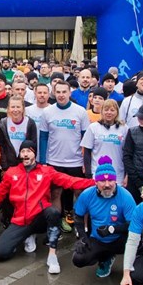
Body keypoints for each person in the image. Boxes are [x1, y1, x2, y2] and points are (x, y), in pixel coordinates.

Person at [0, 140, 94, 274]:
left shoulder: (46, 171)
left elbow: (70, 181)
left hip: (40, 218)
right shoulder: (12, 173)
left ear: (35, 154)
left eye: (29, 151)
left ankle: (52, 256)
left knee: (53, 212)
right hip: (20, 221)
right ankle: (27, 235)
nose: (25, 154)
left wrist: (97, 182)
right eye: (23, 151)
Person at [39, 80, 91, 232]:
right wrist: (43, 162)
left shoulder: (80, 111)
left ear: (69, 92)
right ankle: (56, 225)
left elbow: (86, 139)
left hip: (76, 161)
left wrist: (86, 161)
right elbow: (43, 137)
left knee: (80, 193)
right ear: (54, 93)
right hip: (54, 161)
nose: (61, 95)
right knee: (55, 193)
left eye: (64, 92)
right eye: (58, 92)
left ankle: (81, 225)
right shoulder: (47, 112)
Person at [72, 157, 137, 278]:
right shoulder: (87, 194)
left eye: (110, 180)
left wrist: (112, 229)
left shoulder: (125, 196)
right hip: (98, 239)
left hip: (120, 238)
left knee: (139, 246)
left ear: (115, 181)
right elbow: (78, 216)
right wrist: (82, 237)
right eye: (102, 181)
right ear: (96, 182)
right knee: (78, 258)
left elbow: (134, 224)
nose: (107, 185)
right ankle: (105, 258)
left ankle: (133, 266)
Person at [81, 98, 128, 184]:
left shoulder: (124, 128)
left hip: (118, 173)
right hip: (97, 172)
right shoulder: (93, 127)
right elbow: (87, 151)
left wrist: (126, 174)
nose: (109, 112)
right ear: (102, 111)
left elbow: (128, 152)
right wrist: (88, 173)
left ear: (117, 112)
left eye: (112, 110)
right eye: (106, 110)